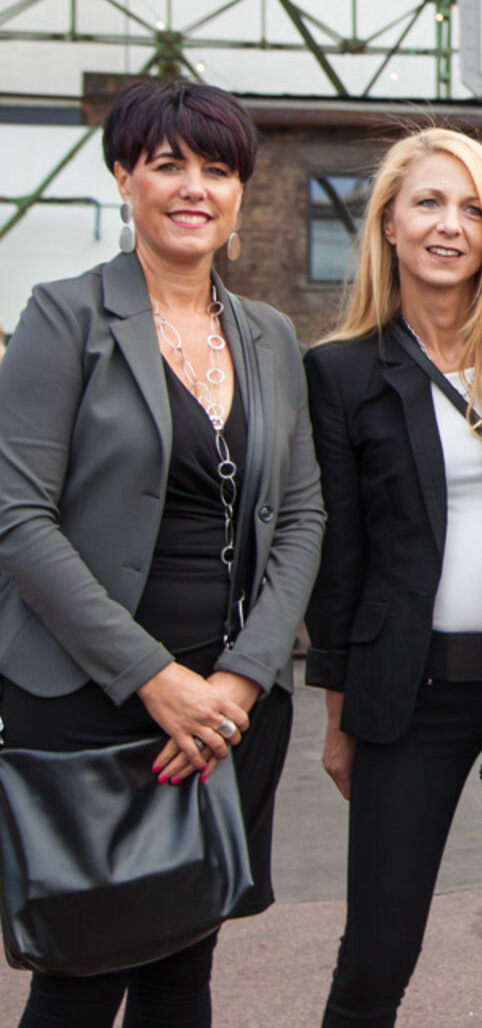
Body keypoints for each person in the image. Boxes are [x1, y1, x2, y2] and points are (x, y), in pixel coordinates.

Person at [0, 79, 324, 1026]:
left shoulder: (269, 336)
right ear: (123, 178)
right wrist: (154, 679)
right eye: (167, 164)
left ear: (240, 192)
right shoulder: (64, 317)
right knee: (81, 973)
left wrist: (243, 679)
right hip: (85, 694)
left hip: (226, 707)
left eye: (217, 170)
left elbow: (302, 516)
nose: (194, 188)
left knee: (185, 961)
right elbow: (18, 517)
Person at [304, 129, 482, 1028]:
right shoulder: (341, 370)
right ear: (388, 223)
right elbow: (340, 556)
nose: (449, 226)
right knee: (378, 952)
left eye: (472, 209)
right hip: (411, 688)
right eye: (427, 203)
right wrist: (337, 711)